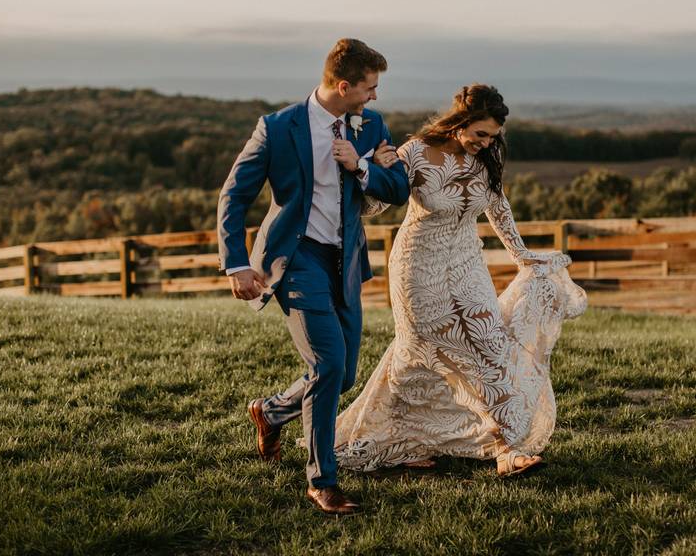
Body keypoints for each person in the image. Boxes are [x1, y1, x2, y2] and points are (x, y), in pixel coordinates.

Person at [333, 84, 587, 477]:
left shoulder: (486, 160)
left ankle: (506, 448)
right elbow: (374, 205)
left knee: (490, 346)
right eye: (480, 134)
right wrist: (370, 168)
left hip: (468, 263)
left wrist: (522, 255)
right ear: (459, 124)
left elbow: (498, 208)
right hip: (418, 268)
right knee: (420, 358)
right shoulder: (414, 152)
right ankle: (397, 438)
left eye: (492, 137)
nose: (485, 144)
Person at [217, 39, 409, 514]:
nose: (374, 98)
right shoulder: (278, 128)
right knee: (327, 364)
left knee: (343, 375)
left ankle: (271, 410)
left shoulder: (371, 126)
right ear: (343, 86)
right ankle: (323, 481)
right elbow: (234, 196)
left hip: (344, 261)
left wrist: (360, 166)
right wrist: (237, 263)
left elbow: (399, 188)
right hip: (295, 259)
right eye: (369, 88)